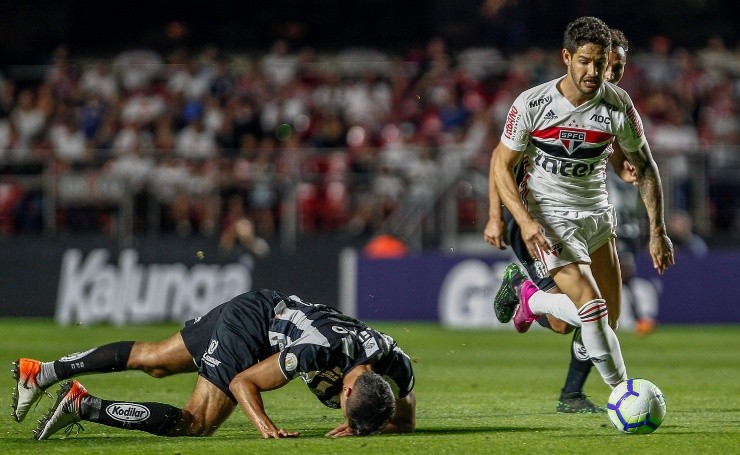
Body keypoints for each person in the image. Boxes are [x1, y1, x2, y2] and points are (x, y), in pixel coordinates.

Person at [487, 17, 674, 395]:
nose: (594, 71)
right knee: (592, 311)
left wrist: (659, 232)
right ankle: (624, 394)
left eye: (601, 62)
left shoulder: (618, 105)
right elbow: (500, 164)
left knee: (605, 323)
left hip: (597, 217)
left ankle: (531, 295)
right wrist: (519, 220)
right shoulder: (532, 104)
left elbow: (646, 167)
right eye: (585, 61)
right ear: (567, 57)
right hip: (550, 217)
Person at [12, 289, 416, 440]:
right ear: (347, 391)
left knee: (155, 362)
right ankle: (85, 405)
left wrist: (372, 422)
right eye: (347, 411)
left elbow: (407, 417)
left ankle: (43, 372)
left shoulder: (395, 362)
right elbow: (243, 382)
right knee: (197, 423)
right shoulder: (314, 352)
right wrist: (267, 427)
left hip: (260, 305)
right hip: (252, 328)